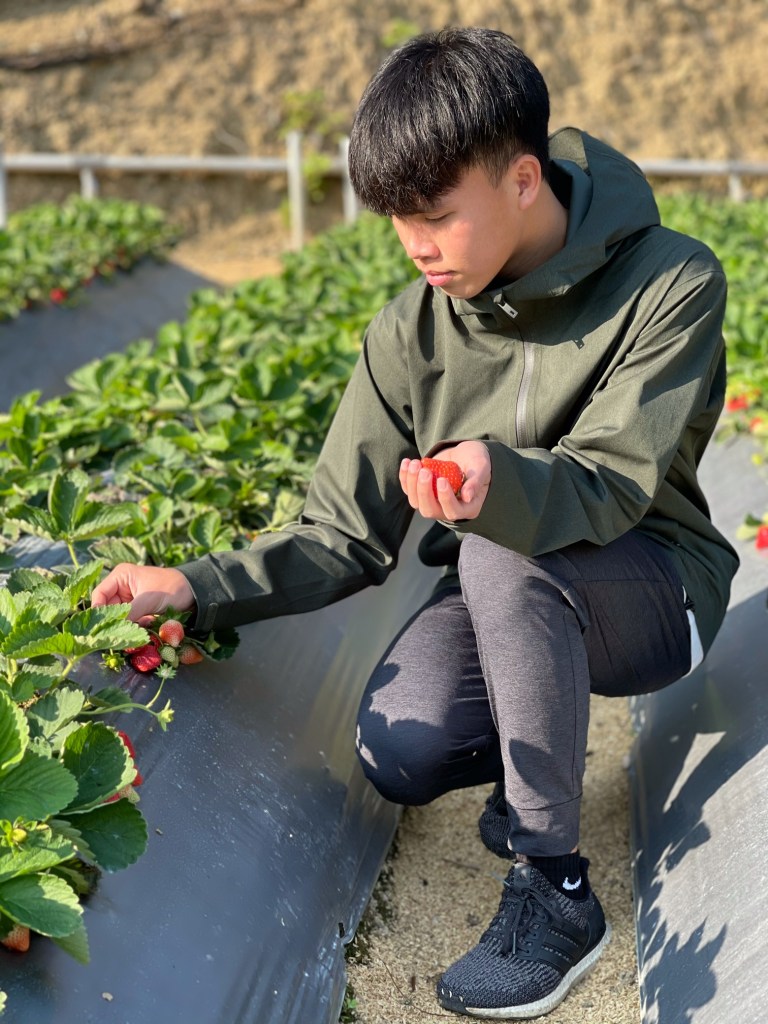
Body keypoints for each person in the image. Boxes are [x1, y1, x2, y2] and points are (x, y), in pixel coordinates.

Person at [92, 26, 739, 1019]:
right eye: (398, 219)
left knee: (503, 552)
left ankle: (556, 890)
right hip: (500, 589)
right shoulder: (409, 333)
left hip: (651, 582)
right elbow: (341, 533)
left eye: (436, 215)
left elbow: (612, 481)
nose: (416, 247)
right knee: (404, 749)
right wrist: (194, 587)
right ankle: (534, 744)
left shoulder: (669, 282)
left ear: (522, 178)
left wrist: (494, 480)